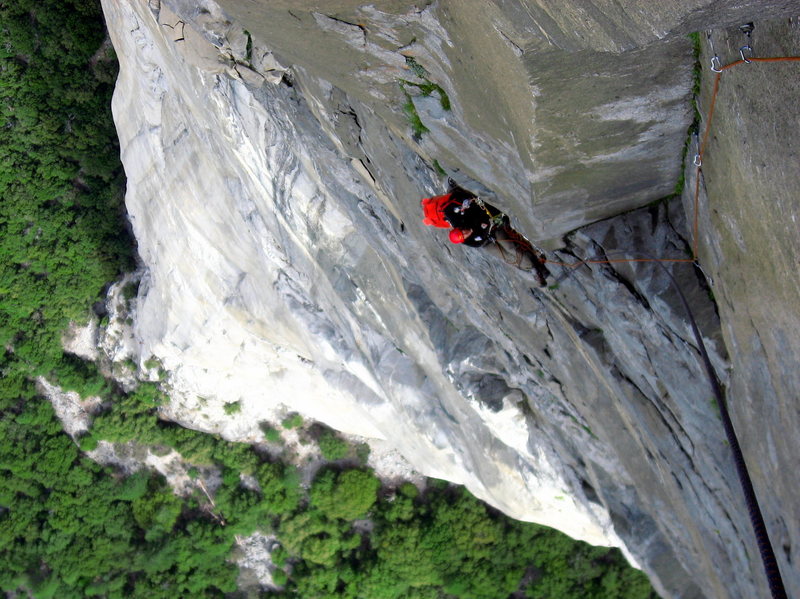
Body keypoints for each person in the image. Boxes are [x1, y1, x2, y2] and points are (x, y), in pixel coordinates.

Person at [421, 181, 550, 286]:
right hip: (486, 240)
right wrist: (483, 233)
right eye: (464, 235)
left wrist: (485, 228)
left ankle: (534, 267)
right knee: (505, 257)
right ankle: (533, 269)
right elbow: (479, 242)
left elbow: (481, 217)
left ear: (458, 228)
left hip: (495, 227)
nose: (465, 233)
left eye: (462, 232)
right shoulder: (468, 240)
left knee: (510, 247)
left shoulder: (461, 220)